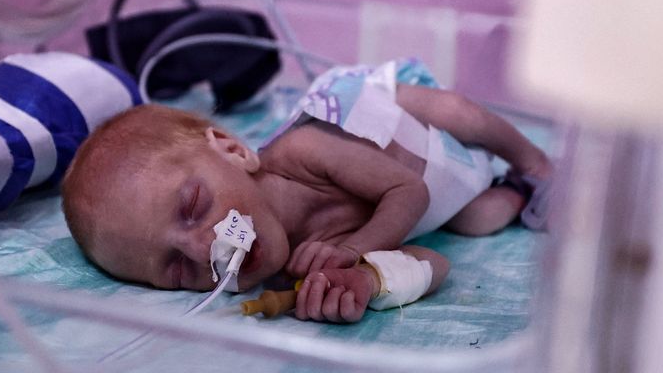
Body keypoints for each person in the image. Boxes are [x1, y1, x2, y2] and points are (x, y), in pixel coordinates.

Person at [61, 59, 551, 323]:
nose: (202, 248)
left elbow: (408, 191)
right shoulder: (291, 274)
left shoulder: (303, 152)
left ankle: (534, 162)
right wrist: (365, 282)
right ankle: (518, 192)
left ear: (233, 151)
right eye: (175, 270)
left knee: (457, 110)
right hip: (455, 189)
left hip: (414, 127)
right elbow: (434, 263)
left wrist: (353, 249)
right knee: (477, 221)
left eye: (192, 206)